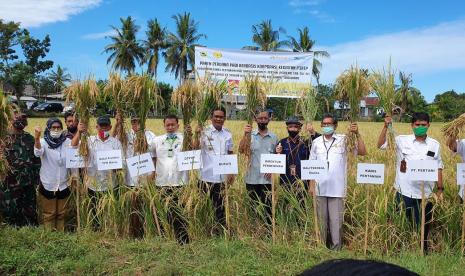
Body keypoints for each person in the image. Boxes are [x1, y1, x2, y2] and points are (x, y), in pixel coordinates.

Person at [377, 112, 443, 252]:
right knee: (400, 223)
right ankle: (399, 250)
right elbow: (380, 144)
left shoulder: (434, 145)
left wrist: (440, 189)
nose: (420, 127)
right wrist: (385, 127)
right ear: (412, 125)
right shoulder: (401, 140)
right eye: (417, 125)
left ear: (428, 125)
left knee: (423, 226)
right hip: (404, 191)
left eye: (423, 125)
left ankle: (422, 252)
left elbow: (439, 167)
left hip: (426, 194)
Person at [309, 113, 367, 250]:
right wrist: (311, 186)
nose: (326, 126)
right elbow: (311, 165)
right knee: (321, 220)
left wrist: (357, 134)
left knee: (336, 221)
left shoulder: (344, 140)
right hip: (319, 188)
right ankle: (321, 247)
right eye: (324, 124)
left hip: (337, 188)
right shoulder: (316, 142)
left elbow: (363, 152)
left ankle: (336, 248)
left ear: (335, 126)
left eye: (329, 124)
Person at [71, 115, 122, 227]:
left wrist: (115, 165)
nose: (103, 129)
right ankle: (96, 233)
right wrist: (79, 132)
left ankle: (109, 231)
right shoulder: (89, 140)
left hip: (111, 185)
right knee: (94, 213)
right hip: (92, 184)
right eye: (101, 126)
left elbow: (120, 165)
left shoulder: (116, 143)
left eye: (106, 126)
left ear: (110, 127)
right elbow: (73, 146)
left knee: (109, 212)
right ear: (96, 127)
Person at [193, 106, 234, 232]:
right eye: (216, 116)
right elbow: (194, 148)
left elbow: (230, 153)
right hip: (205, 177)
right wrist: (196, 134)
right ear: (211, 117)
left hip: (221, 178)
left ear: (224, 118)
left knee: (220, 206)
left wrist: (232, 173)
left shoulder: (228, 134)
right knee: (203, 205)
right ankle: (203, 230)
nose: (218, 119)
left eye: (221, 117)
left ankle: (220, 231)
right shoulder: (203, 131)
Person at [118, 114, 157, 238]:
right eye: (133, 122)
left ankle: (147, 233)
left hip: (146, 179)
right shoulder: (126, 135)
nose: (136, 124)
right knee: (133, 208)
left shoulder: (151, 136)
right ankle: (133, 234)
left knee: (146, 207)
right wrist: (118, 123)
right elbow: (114, 141)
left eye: (138, 122)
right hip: (131, 179)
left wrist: (153, 174)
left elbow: (155, 156)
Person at [153, 114, 190, 243]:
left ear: (178, 125)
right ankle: (165, 237)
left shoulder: (185, 139)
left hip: (180, 181)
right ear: (164, 126)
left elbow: (194, 152)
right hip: (162, 181)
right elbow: (152, 157)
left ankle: (183, 239)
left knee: (180, 211)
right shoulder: (157, 140)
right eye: (167, 125)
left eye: (172, 125)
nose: (170, 127)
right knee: (164, 210)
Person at [0, 113, 40, 226]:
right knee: (10, 211)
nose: (20, 122)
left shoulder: (30, 138)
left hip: (28, 182)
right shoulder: (4, 139)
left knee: (29, 210)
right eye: (17, 120)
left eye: (23, 120)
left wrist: (37, 179)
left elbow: (36, 160)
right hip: (10, 183)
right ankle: (13, 232)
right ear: (11, 121)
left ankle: (30, 231)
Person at [238, 110, 278, 225]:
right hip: (252, 178)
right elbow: (241, 150)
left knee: (267, 208)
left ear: (269, 119)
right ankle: (254, 230)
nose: (263, 120)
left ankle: (268, 231)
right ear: (255, 119)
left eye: (265, 118)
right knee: (253, 207)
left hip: (267, 180)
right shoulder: (250, 136)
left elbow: (277, 157)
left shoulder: (274, 137)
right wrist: (245, 134)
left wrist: (272, 169)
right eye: (260, 118)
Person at [34, 118, 71, 231]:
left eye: (58, 127)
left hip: (63, 183)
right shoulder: (43, 142)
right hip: (48, 183)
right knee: (49, 213)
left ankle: (60, 233)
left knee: (61, 213)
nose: (56, 130)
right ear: (48, 129)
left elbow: (74, 151)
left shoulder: (66, 142)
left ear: (62, 129)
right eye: (53, 128)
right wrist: (36, 138)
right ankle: (49, 235)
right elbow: (37, 153)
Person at [275, 117, 321, 199]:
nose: (293, 129)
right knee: (286, 204)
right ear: (287, 128)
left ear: (300, 129)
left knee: (302, 204)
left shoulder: (306, 141)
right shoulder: (282, 142)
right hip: (286, 179)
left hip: (302, 180)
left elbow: (320, 141)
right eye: (290, 127)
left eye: (296, 127)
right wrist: (277, 153)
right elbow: (276, 162)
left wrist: (312, 132)